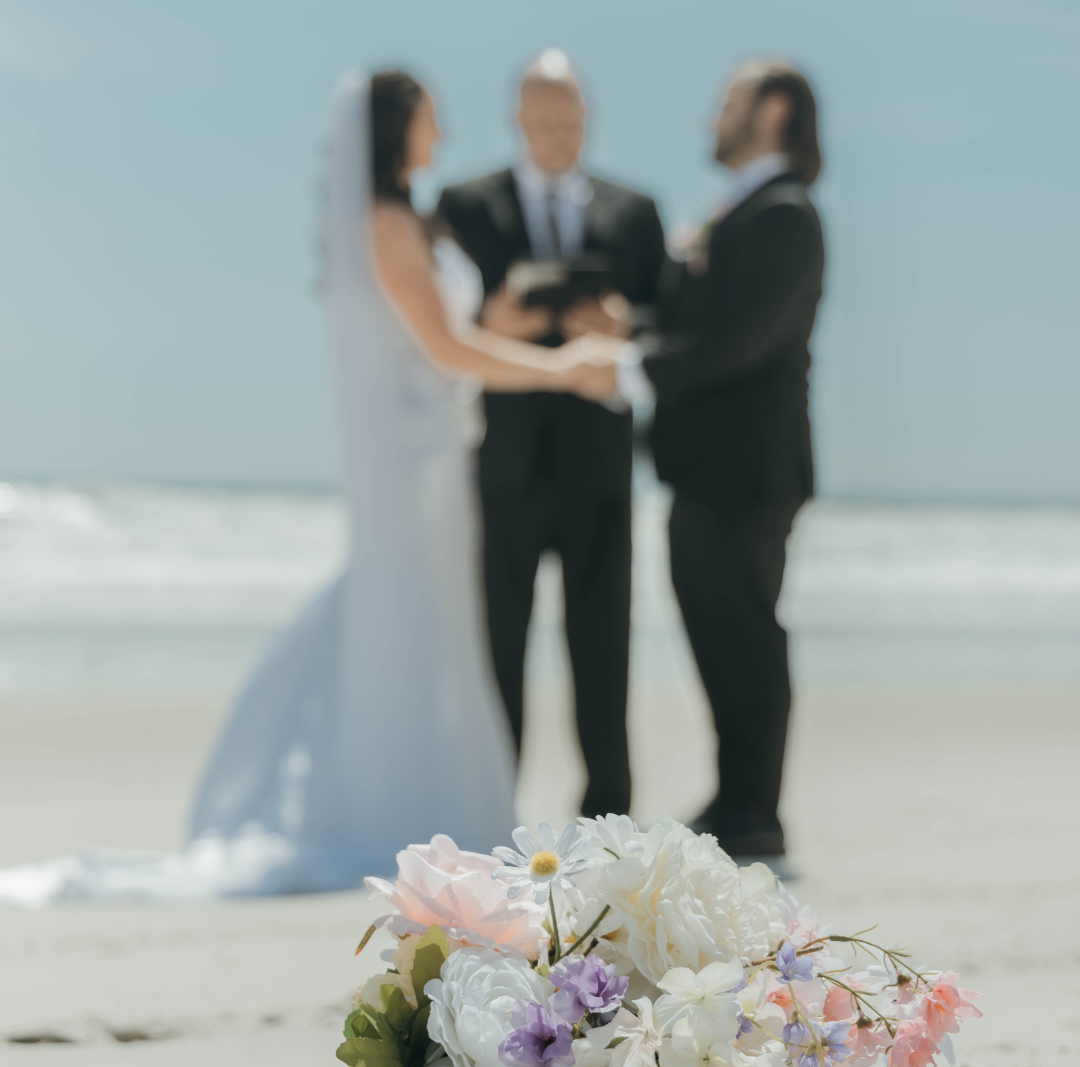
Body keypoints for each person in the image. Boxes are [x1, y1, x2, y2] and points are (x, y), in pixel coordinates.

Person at [0, 70, 595, 906]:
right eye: (431, 121)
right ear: (397, 132)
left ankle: (435, 807)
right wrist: (559, 370)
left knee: (429, 625)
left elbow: (453, 337)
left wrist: (523, 330)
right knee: (404, 616)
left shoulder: (405, 223)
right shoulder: (386, 224)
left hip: (437, 456)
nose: (444, 136)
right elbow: (443, 349)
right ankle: (404, 804)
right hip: (413, 462)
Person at [576, 61, 825, 861]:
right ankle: (737, 794)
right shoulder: (741, 211)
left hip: (749, 471)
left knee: (745, 633)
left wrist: (630, 365)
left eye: (729, 103)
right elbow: (704, 316)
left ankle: (756, 807)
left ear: (774, 110)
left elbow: (740, 339)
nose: (714, 117)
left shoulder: (785, 214)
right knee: (714, 631)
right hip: (706, 469)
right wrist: (634, 319)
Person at [436, 51, 666, 820]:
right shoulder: (464, 205)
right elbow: (437, 327)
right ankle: (490, 807)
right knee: (498, 649)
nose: (558, 135)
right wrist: (492, 323)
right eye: (544, 122)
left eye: (570, 121)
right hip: (501, 463)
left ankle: (609, 818)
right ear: (517, 121)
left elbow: (663, 323)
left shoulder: (636, 212)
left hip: (600, 467)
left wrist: (621, 324)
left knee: (603, 651)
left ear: (587, 119)